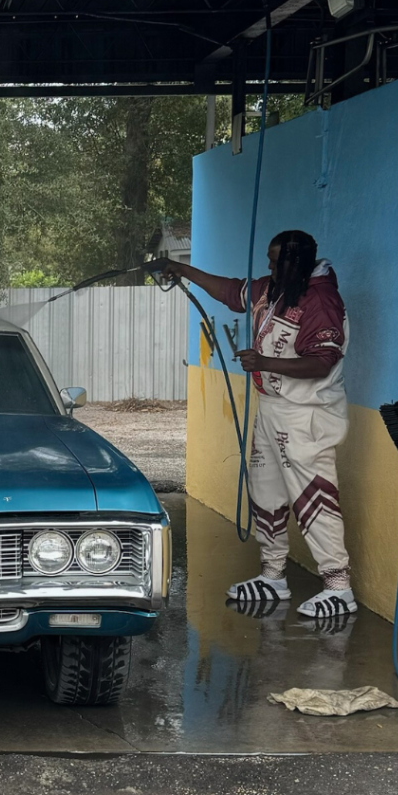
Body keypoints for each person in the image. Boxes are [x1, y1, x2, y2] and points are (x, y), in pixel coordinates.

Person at [162, 230, 355, 618]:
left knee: (313, 497)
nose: (267, 267)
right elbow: (233, 292)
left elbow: (322, 361)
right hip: (270, 408)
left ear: (295, 262)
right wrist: (178, 270)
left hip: (306, 414)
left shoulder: (320, 298)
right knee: (265, 493)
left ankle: (339, 587)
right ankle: (273, 576)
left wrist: (265, 363)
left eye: (274, 260)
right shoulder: (276, 287)